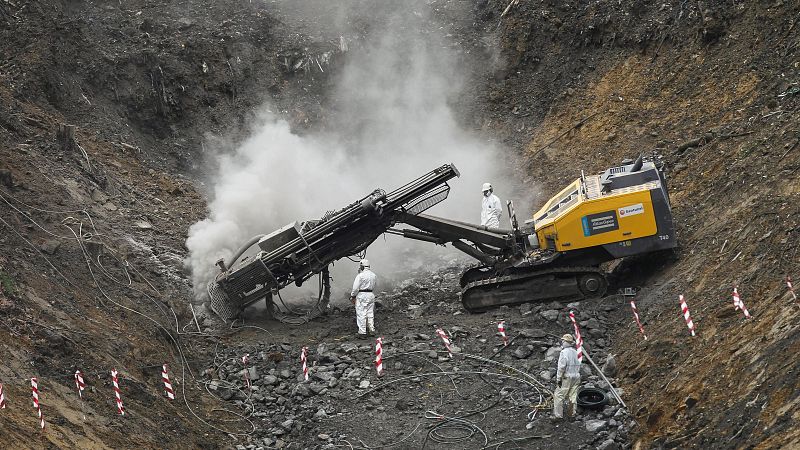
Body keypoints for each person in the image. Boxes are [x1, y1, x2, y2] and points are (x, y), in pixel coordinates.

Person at [552, 333, 582, 420]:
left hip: (567, 376)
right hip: (576, 376)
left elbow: (561, 367)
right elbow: (579, 364)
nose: (562, 342)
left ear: (566, 342)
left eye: (563, 340)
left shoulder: (564, 352)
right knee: (573, 395)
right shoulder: (576, 352)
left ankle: (558, 415)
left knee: (559, 395)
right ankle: (572, 413)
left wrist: (558, 379)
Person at [350, 259, 377, 338]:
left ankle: (362, 332)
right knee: (370, 313)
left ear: (361, 266)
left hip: (362, 295)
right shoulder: (373, 275)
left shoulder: (360, 275)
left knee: (361, 313)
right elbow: (375, 285)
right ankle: (372, 329)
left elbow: (355, 288)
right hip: (371, 294)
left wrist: (352, 296)